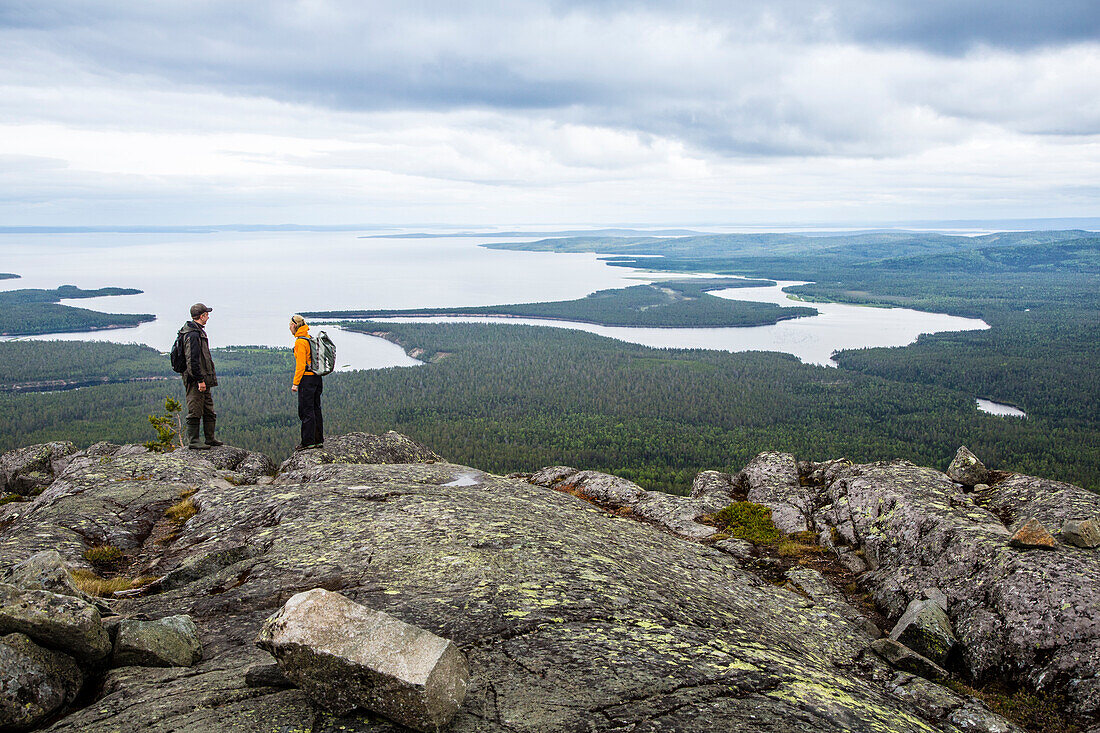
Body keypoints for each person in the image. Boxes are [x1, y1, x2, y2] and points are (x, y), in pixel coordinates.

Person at [178, 303, 222, 450]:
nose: (208, 317)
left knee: (208, 408)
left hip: (203, 379)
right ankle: (194, 441)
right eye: (207, 314)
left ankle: (210, 438)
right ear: (202, 316)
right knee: (195, 408)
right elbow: (193, 360)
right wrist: (199, 380)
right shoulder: (192, 334)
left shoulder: (196, 331)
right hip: (196, 380)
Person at [290, 314, 324, 450]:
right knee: (316, 408)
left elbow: (301, 365)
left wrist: (295, 383)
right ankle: (318, 439)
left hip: (307, 379)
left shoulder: (300, 342)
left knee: (306, 410)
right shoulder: (309, 338)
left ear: (294, 325)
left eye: (290, 325)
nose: (289, 328)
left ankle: (308, 442)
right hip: (317, 377)